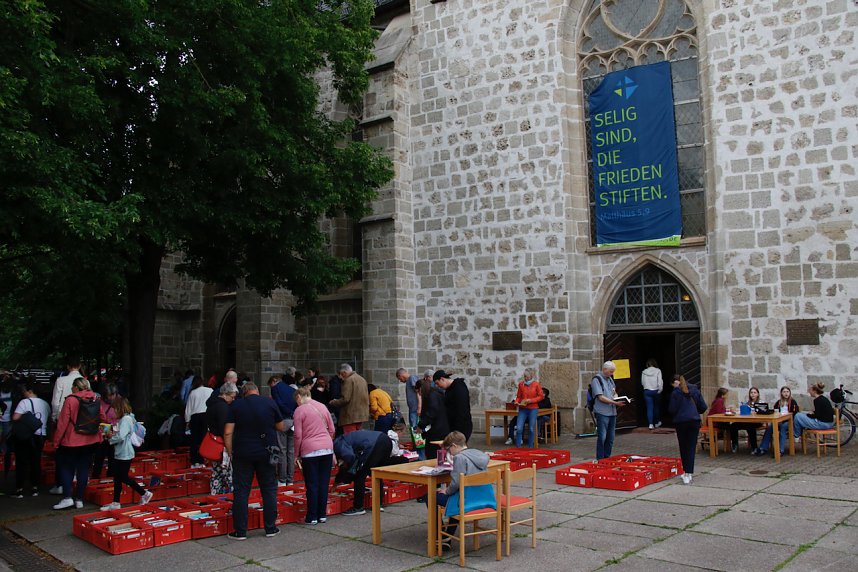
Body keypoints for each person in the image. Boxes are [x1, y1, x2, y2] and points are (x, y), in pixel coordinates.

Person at [224, 382, 285, 540]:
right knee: (269, 489)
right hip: (266, 452)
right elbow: (281, 426)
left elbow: (228, 432)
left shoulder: (236, 406)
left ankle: (240, 531)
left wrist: (230, 452)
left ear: (244, 393)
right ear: (257, 391)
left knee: (242, 491)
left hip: (243, 453)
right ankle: (271, 528)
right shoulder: (270, 403)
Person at [52, 377, 103, 509]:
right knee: (83, 469)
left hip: (71, 441)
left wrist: (56, 442)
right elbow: (102, 418)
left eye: (72, 387)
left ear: (76, 387)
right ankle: (79, 499)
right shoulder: (95, 398)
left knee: (67, 468)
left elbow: (62, 424)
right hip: (91, 440)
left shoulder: (71, 399)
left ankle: (67, 497)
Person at [435, 431, 491, 548]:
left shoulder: (460, 458)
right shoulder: (479, 454)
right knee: (454, 496)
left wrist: (446, 491)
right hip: (483, 497)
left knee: (431, 497)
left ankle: (441, 535)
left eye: (449, 450)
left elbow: (456, 483)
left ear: (454, 446)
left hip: (466, 501)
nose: (449, 453)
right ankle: (448, 535)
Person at [333, 429, 404, 515]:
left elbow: (350, 457)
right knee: (376, 473)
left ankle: (358, 507)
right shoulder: (345, 438)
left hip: (374, 444)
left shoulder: (337, 443)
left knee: (359, 475)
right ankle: (378, 504)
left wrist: (350, 471)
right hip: (385, 440)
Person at [100, 398, 153, 510]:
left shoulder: (125, 419)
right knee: (118, 478)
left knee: (122, 477)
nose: (114, 411)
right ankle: (116, 502)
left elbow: (121, 436)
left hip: (124, 452)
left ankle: (144, 493)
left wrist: (110, 437)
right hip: (123, 452)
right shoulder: (128, 418)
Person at [293, 387, 335, 524]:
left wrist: (296, 453)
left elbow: (298, 435)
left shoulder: (300, 410)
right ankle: (322, 514)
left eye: (296, 400)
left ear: (299, 396)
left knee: (312, 484)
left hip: (309, 450)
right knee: (324, 483)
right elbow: (332, 429)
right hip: (327, 448)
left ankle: (312, 516)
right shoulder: (323, 406)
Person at [11, 380, 50, 498]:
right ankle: (35, 488)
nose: (23, 393)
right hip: (40, 435)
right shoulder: (45, 404)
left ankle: (19, 489)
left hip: (26, 436)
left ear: (30, 391)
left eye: (24, 391)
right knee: (36, 461)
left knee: (22, 461)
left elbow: (15, 417)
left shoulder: (24, 402)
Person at [668, 374, 707, 484]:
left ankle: (686, 472)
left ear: (675, 382)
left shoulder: (676, 392)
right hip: (694, 421)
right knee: (691, 447)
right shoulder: (695, 390)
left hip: (681, 422)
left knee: (683, 447)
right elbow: (703, 407)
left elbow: (672, 409)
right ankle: (688, 473)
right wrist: (694, 412)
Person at [206, 382, 238, 494]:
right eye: (232, 397)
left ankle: (215, 496)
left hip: (214, 444)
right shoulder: (224, 408)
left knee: (216, 473)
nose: (233, 400)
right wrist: (230, 449)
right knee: (229, 474)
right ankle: (233, 498)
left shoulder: (211, 405)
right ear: (225, 394)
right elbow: (226, 432)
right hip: (223, 445)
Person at [590, 361, 626, 460]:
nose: (612, 374)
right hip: (602, 412)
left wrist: (617, 397)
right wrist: (615, 403)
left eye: (613, 372)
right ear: (605, 369)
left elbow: (614, 392)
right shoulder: (597, 379)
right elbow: (600, 397)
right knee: (602, 437)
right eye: (611, 371)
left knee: (610, 438)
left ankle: (607, 457)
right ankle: (600, 459)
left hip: (612, 412)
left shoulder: (610, 379)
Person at [753, 386, 799, 457]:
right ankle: (763, 448)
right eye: (784, 392)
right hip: (779, 421)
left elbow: (795, 413)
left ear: (789, 393)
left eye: (787, 392)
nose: (786, 393)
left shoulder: (793, 402)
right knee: (769, 428)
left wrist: (785, 419)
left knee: (783, 427)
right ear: (781, 393)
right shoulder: (778, 402)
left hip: (789, 422)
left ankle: (780, 450)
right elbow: (775, 411)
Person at [268, 375, 296, 485]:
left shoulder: (275, 389)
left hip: (282, 420)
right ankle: (290, 479)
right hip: (293, 421)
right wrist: (292, 413)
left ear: (274, 381)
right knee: (291, 451)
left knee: (282, 450)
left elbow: (278, 404)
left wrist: (287, 412)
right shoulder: (292, 390)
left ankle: (282, 479)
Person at [328, 364, 369, 435]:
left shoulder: (349, 380)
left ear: (344, 373)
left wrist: (333, 402)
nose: (340, 377)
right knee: (358, 437)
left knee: (350, 438)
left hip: (350, 415)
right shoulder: (362, 379)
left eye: (341, 374)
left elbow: (345, 399)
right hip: (361, 414)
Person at [417, 376, 450, 462]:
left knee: (433, 453)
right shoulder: (437, 394)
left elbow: (431, 413)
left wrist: (421, 425)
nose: (419, 394)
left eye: (418, 391)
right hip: (441, 428)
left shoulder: (432, 396)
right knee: (439, 453)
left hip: (437, 430)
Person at [434, 371, 473, 441]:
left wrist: (457, 430)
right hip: (453, 425)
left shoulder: (459, 388)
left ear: (442, 379)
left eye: (437, 383)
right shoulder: (449, 389)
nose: (438, 386)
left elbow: (462, 409)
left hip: (460, 426)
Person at [92, 383, 119, 478]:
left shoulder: (119, 402)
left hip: (115, 430)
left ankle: (110, 477)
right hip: (103, 430)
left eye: (113, 394)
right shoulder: (100, 402)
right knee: (99, 456)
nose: (111, 397)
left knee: (113, 456)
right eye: (109, 394)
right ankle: (95, 476)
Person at [186, 376, 213, 467]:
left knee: (195, 439)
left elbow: (188, 408)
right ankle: (204, 458)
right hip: (206, 415)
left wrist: (187, 420)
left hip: (195, 416)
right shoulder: (209, 391)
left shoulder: (193, 393)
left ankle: (195, 460)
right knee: (204, 438)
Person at [513, 369, 544, 448]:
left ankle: (530, 447)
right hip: (523, 409)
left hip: (533, 409)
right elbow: (519, 396)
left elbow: (541, 396)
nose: (525, 378)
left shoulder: (536, 384)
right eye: (524, 376)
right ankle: (518, 447)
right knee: (519, 428)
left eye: (526, 376)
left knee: (531, 428)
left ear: (531, 376)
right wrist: (517, 402)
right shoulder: (521, 384)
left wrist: (531, 400)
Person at [51, 360, 83, 424]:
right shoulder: (85, 381)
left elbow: (55, 402)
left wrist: (54, 416)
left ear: (68, 366)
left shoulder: (60, 380)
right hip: (80, 417)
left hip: (62, 415)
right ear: (80, 366)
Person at [641, 358, 663, 429]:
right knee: (656, 407)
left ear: (648, 364)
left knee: (649, 408)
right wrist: (660, 390)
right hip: (656, 391)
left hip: (647, 391)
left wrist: (646, 387)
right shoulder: (658, 371)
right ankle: (657, 423)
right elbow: (660, 381)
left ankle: (650, 424)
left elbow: (642, 382)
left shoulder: (644, 372)